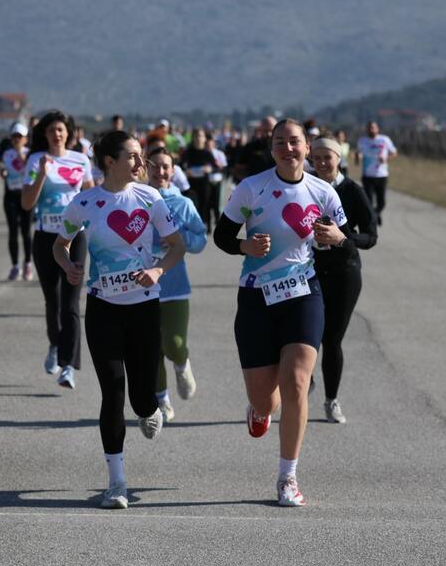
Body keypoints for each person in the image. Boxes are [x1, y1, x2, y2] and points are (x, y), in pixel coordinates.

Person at [212, 118, 347, 507]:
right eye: (280, 143)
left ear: (307, 148)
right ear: (271, 149)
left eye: (294, 142)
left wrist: (338, 238)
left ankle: (288, 478)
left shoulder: (323, 192)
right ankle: (259, 409)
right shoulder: (252, 188)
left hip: (304, 294)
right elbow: (223, 236)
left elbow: (346, 241)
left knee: (296, 381)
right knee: (266, 398)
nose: (288, 149)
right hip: (256, 298)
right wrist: (245, 248)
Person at [56, 131, 186, 508]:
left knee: (142, 396)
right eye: (132, 155)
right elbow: (59, 244)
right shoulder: (85, 202)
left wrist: (158, 272)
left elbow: (176, 246)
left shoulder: (150, 198)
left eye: (140, 155)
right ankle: (117, 482)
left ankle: (149, 408)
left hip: (144, 308)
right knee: (112, 392)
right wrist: (69, 266)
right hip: (103, 309)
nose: (139, 161)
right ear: (109, 161)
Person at [21, 110, 95, 389]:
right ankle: (54, 344)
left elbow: (90, 195)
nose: (57, 134)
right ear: (45, 134)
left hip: (76, 237)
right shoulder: (34, 160)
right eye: (52, 130)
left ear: (70, 132)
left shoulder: (80, 160)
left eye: (61, 129)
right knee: (52, 301)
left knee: (71, 303)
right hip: (46, 239)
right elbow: (27, 203)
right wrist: (41, 173)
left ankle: (68, 366)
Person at [310, 137, 377, 423]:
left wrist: (344, 239)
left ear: (339, 159)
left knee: (332, 339)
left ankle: (331, 400)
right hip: (308, 271)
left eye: (329, 157)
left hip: (344, 273)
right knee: (304, 336)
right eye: (318, 158)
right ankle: (304, 378)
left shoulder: (352, 190)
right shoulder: (305, 187)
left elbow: (371, 236)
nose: (323, 163)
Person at [145, 146, 207, 422]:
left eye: (165, 166)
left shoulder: (183, 204)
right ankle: (162, 400)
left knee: (174, 343)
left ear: (173, 170)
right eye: (155, 166)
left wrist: (177, 235)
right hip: (141, 288)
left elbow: (200, 239)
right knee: (151, 348)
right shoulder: (136, 200)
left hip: (175, 286)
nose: (160, 172)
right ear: (146, 168)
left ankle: (182, 364)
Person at [2, 123, 33, 280]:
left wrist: (20, 153)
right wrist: (3, 172)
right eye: (14, 136)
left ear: (25, 139)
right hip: (11, 196)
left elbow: (29, 169)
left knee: (26, 231)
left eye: (19, 137)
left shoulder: (30, 154)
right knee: (13, 231)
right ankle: (14, 265)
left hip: (26, 195)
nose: (16, 139)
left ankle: (27, 263)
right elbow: (5, 168)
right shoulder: (7, 154)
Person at [353, 121, 397, 225]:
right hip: (367, 175)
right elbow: (357, 156)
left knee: (381, 202)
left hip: (381, 175)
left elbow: (394, 152)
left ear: (377, 129)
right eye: (369, 128)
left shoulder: (384, 140)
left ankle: (376, 214)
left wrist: (386, 158)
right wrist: (358, 158)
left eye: (373, 127)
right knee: (368, 201)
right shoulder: (362, 141)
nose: (371, 130)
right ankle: (372, 219)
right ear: (366, 129)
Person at [179, 128, 218, 229]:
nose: (198, 138)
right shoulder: (188, 152)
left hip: (205, 184)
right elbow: (180, 166)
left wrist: (210, 169)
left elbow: (216, 167)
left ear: (204, 138)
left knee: (204, 205)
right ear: (193, 138)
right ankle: (193, 225)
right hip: (191, 183)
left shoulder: (207, 153)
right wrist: (186, 171)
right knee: (192, 205)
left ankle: (203, 225)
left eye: (200, 136)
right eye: (196, 136)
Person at [233, 116, 276, 182]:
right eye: (266, 131)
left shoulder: (283, 148)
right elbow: (239, 169)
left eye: (271, 131)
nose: (269, 134)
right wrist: (249, 184)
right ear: (260, 130)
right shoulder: (250, 147)